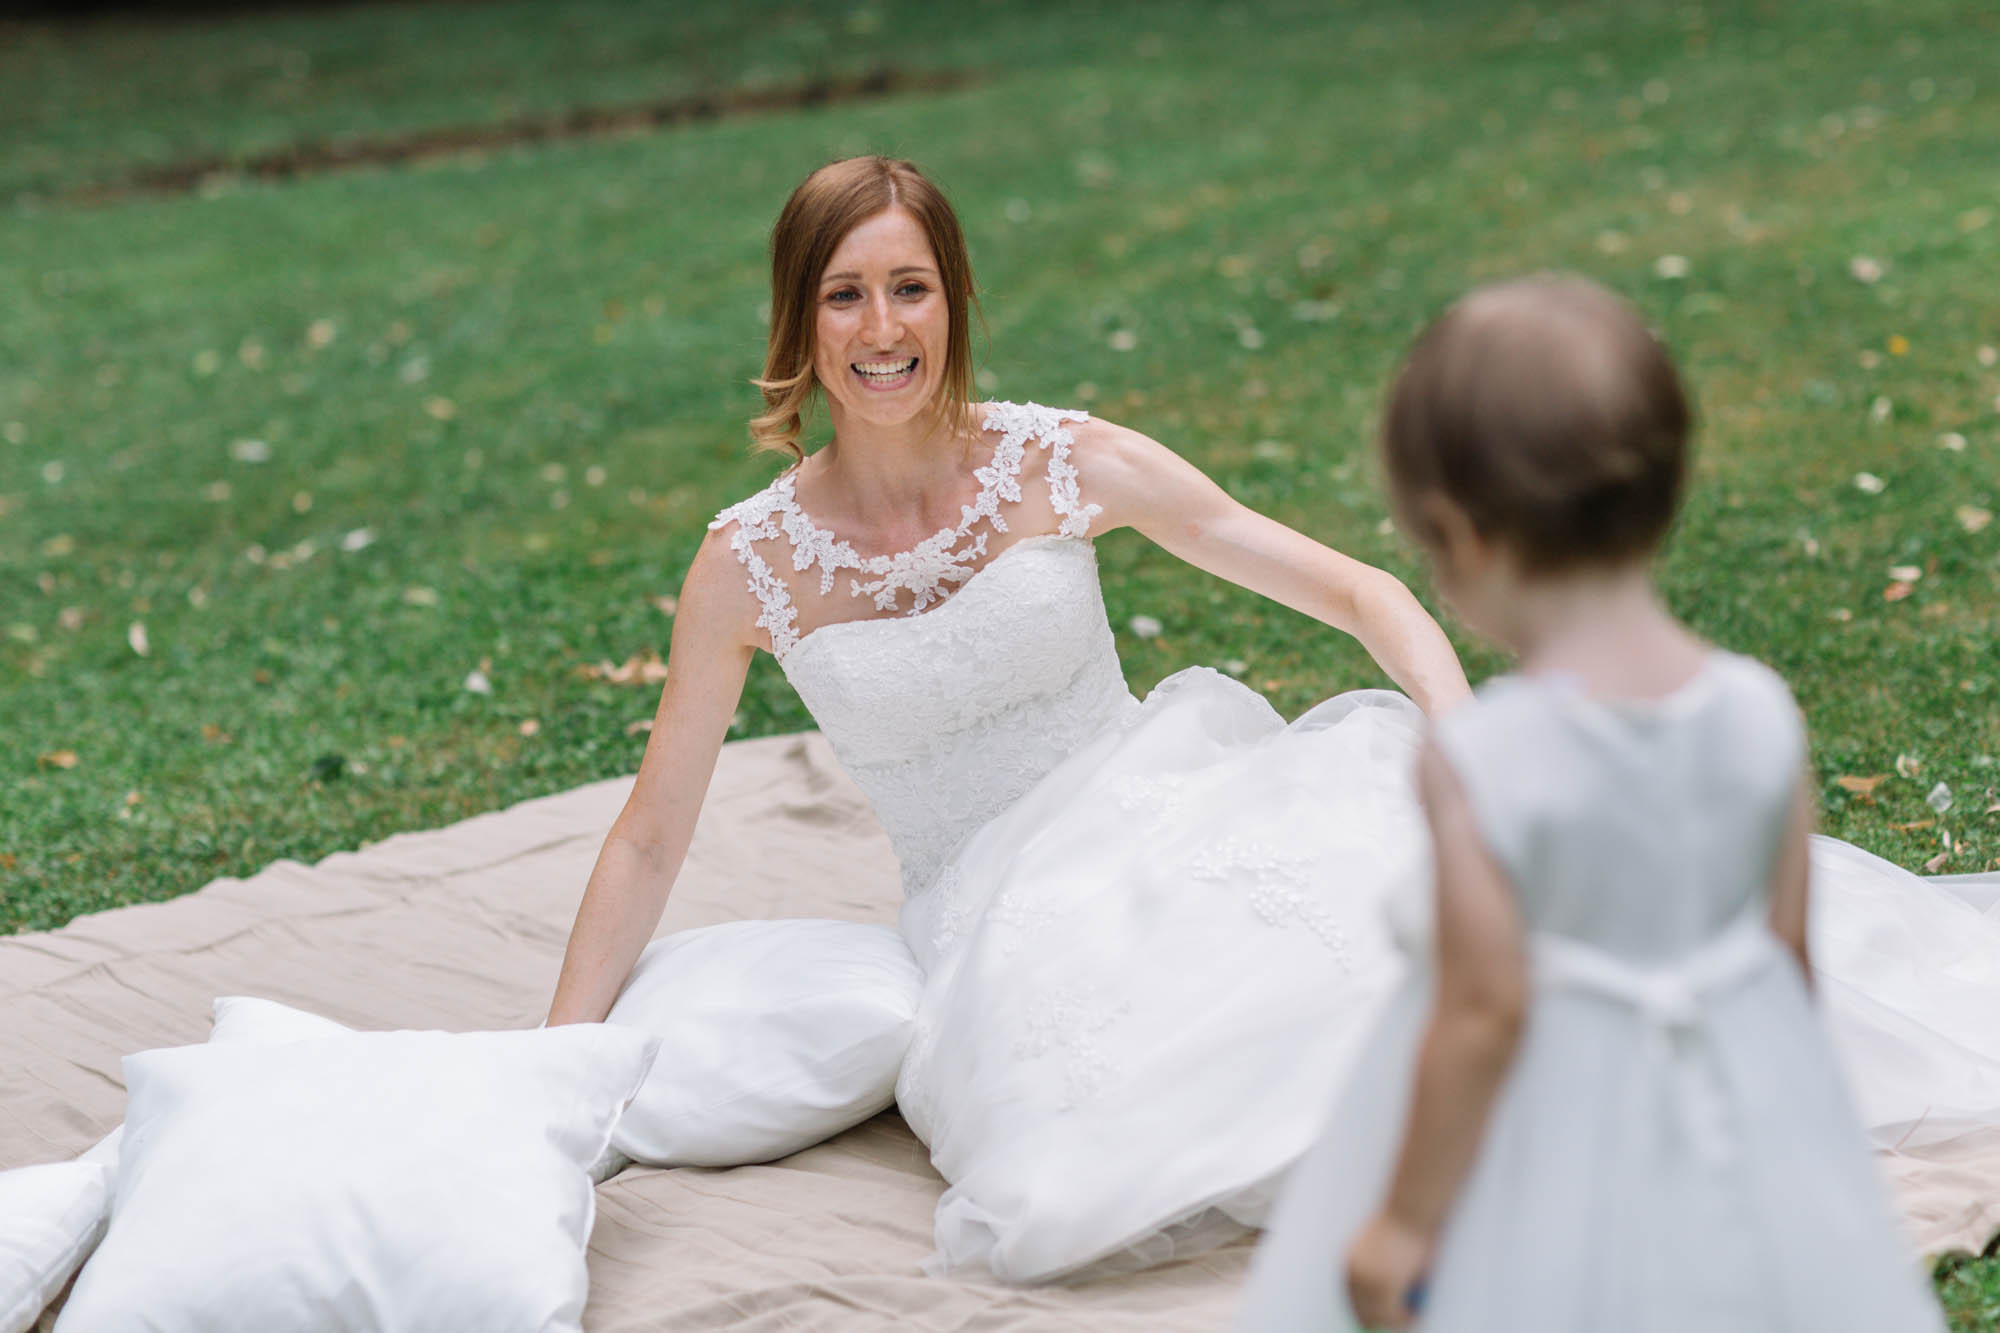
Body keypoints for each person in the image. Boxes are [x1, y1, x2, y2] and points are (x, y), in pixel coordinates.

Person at [545, 154, 1472, 1283]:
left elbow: (1356, 591)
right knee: (1097, 1096)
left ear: (955, 298)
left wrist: (1471, 747)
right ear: (798, 320)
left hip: (1162, 804)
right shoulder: (749, 565)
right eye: (843, 293)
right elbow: (650, 833)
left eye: (911, 287)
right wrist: (551, 1070)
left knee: (1346, 946)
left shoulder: (1060, 461)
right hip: (985, 910)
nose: (881, 327)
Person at [1235, 276, 1947, 1331]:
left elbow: (1482, 1009)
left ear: (1456, 533)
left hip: (1545, 1155)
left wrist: (1402, 1222)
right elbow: (1783, 962)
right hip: (1724, 1125)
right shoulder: (1757, 711)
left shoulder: (1484, 757)